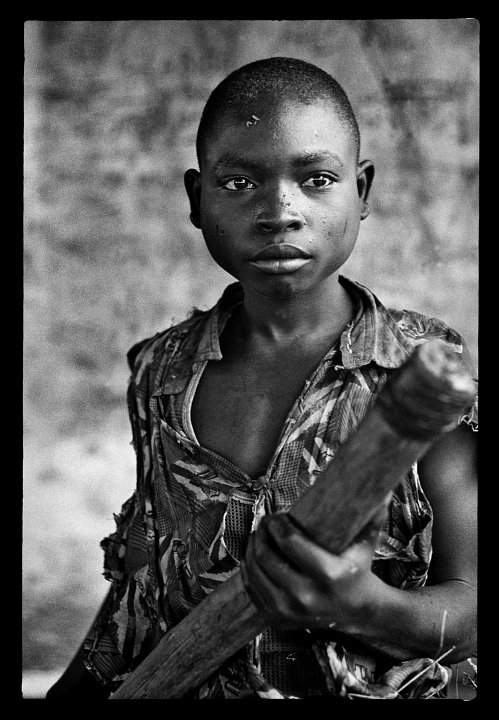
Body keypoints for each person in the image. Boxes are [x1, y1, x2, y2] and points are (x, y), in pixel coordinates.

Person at [46, 57, 477, 700]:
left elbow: (472, 608)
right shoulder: (161, 374)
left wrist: (364, 605)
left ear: (362, 191)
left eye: (318, 179)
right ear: (197, 199)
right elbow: (141, 588)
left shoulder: (422, 369)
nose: (280, 211)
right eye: (240, 182)